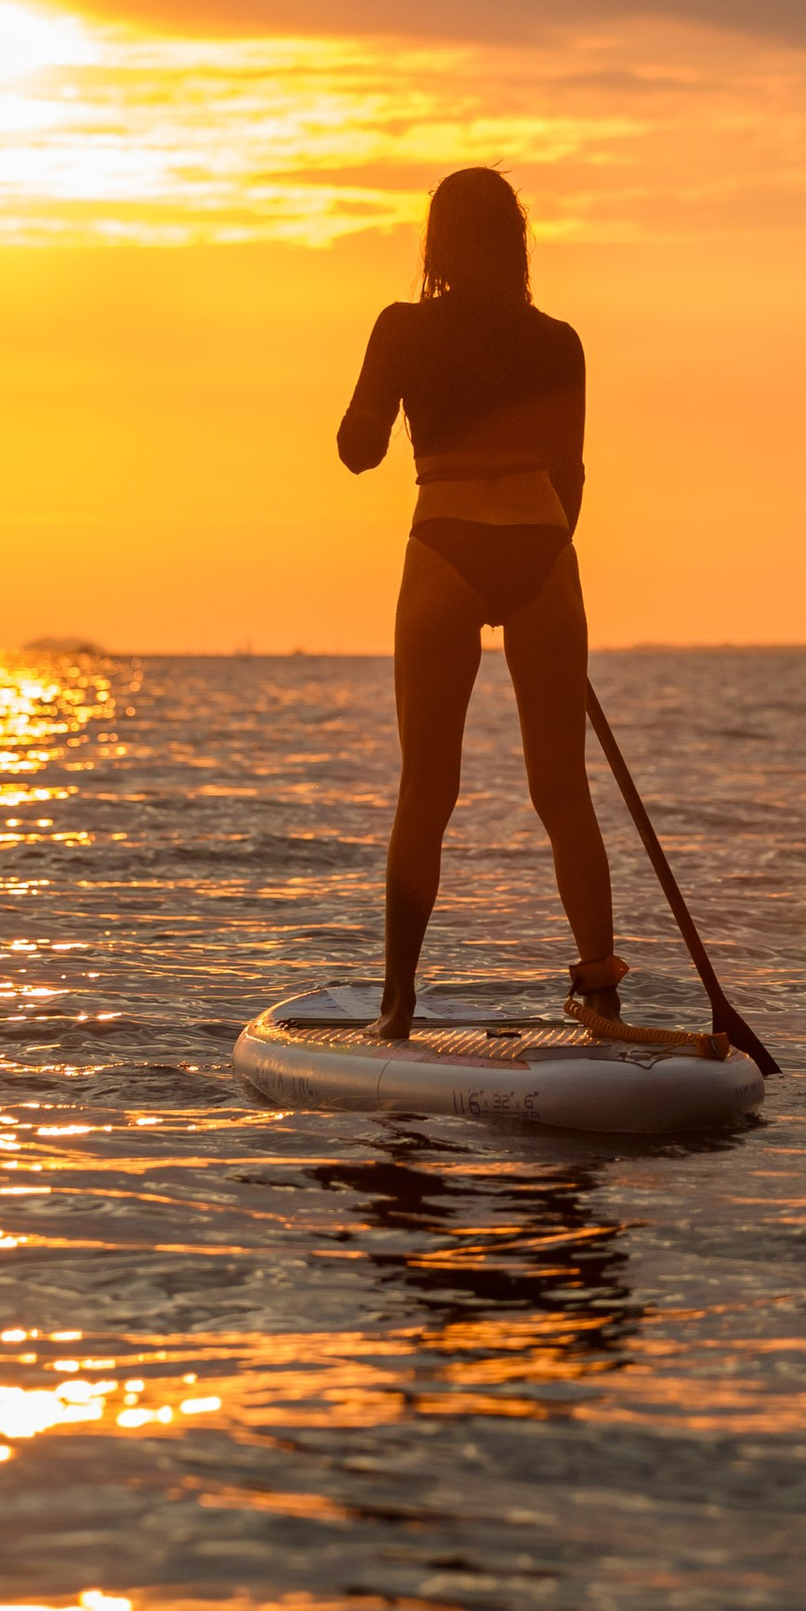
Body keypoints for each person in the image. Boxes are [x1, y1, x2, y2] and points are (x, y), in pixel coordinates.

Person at [337, 167, 628, 1043]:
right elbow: (570, 478)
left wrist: (385, 396)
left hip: (446, 547)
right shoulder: (560, 340)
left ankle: (396, 1004)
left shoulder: (402, 327)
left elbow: (358, 452)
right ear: (515, 243)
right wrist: (540, 579)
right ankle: (601, 996)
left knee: (427, 789)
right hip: (542, 550)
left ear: (437, 243)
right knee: (563, 791)